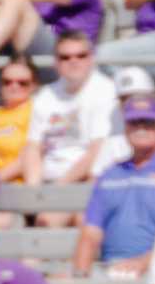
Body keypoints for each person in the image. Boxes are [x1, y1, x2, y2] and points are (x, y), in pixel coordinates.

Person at [73, 94, 155, 276]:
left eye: (149, 122)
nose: (141, 128)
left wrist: (144, 262)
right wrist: (80, 276)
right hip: (111, 268)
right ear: (125, 127)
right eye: (134, 122)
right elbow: (91, 232)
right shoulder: (110, 174)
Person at [25, 32, 118, 197]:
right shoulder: (45, 95)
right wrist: (33, 191)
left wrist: (57, 190)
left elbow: (96, 150)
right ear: (56, 62)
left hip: (85, 180)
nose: (73, 61)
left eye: (81, 56)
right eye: (65, 57)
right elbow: (33, 147)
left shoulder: (105, 91)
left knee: (48, 219)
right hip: (48, 180)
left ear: (91, 59)